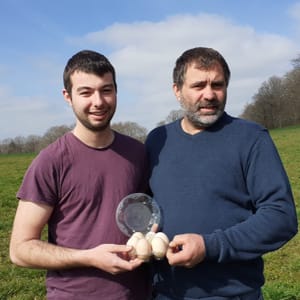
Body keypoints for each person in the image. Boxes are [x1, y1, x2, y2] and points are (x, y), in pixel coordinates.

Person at [145, 47, 298, 300]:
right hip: (165, 292)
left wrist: (209, 247)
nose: (209, 94)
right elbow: (147, 206)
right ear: (177, 90)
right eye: (198, 86)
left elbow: (281, 217)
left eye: (217, 85)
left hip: (231, 293)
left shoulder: (251, 138)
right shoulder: (157, 140)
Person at [9, 50, 151, 300]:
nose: (98, 101)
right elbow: (20, 249)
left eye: (106, 90)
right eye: (86, 92)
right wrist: (88, 257)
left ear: (116, 91)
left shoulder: (138, 153)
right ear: (68, 96)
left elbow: (145, 215)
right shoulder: (51, 161)